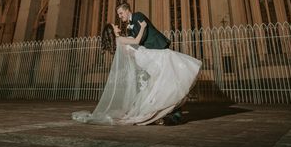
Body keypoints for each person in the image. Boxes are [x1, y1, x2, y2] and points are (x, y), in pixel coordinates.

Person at [72, 14, 201, 126]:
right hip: (144, 56)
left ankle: (161, 107)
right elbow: (137, 40)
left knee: (159, 78)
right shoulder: (119, 39)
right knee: (168, 56)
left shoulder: (119, 41)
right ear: (112, 30)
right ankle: (163, 105)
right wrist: (143, 27)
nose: (117, 26)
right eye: (114, 26)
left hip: (143, 56)